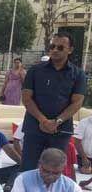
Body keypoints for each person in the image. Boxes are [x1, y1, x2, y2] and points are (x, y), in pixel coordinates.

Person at [21, 32, 87, 171]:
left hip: (61, 131)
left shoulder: (78, 74)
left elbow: (77, 103)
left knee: (54, 171)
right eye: (52, 46)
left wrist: (56, 122)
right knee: (28, 169)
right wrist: (43, 121)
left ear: (70, 50)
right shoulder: (35, 70)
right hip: (34, 127)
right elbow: (26, 99)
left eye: (60, 47)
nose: (55, 50)